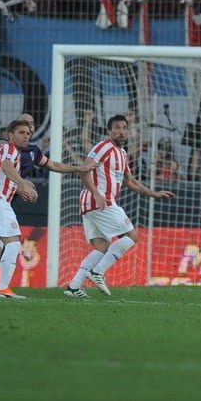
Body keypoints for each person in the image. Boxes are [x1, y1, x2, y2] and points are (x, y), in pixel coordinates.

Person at [0, 119, 95, 298]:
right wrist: (22, 185)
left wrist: (78, 167)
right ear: (11, 134)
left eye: (30, 128)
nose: (27, 132)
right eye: (23, 130)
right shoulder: (7, 147)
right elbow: (3, 167)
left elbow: (54, 165)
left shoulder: (32, 151)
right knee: (13, 244)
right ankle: (1, 287)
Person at [64, 114, 175, 298]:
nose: (121, 131)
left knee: (102, 247)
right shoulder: (103, 147)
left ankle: (74, 286)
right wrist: (97, 194)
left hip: (93, 203)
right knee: (132, 236)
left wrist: (154, 194)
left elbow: (130, 182)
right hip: (99, 201)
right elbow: (84, 171)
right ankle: (98, 272)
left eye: (124, 128)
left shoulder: (122, 154)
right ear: (109, 131)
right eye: (117, 127)